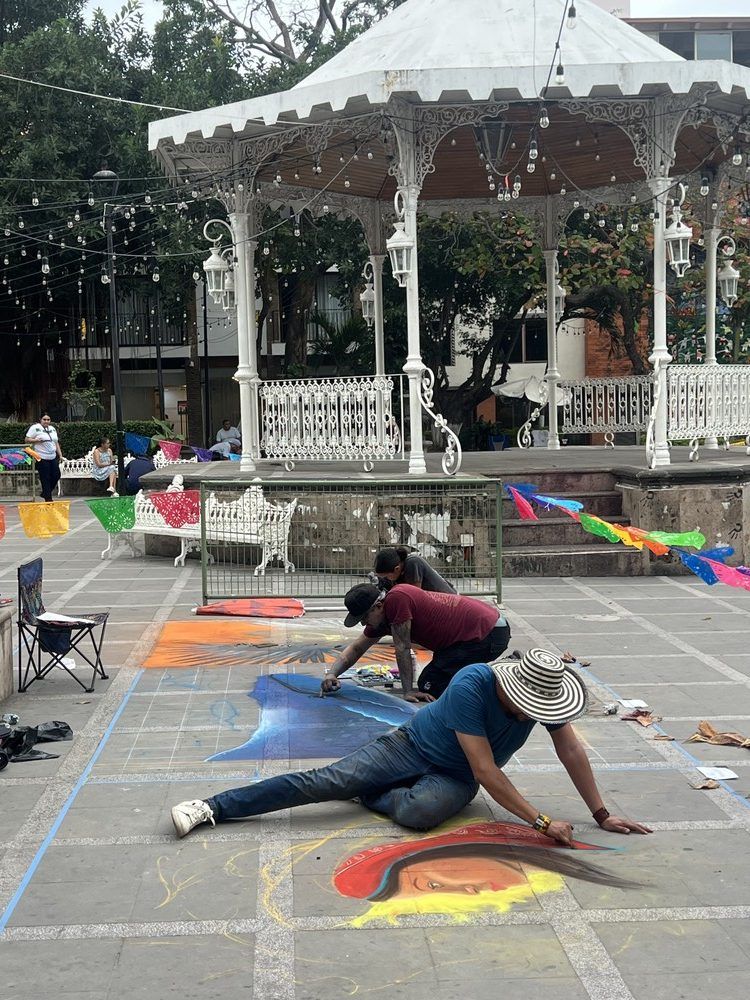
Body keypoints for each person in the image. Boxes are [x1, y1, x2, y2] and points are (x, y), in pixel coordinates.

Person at [170, 648, 652, 843]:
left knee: (420, 814)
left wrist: (602, 813)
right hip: (410, 747)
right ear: (511, 687)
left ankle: (372, 791)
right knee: (325, 782)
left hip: (454, 776)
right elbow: (487, 771)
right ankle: (212, 807)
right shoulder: (472, 684)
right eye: (529, 706)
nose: (536, 716)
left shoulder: (541, 703)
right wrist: (541, 821)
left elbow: (571, 750)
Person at [323, 583, 510, 701]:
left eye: (364, 618)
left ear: (378, 606)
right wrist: (332, 674)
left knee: (431, 686)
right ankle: (502, 668)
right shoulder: (382, 615)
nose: (364, 623)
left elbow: (402, 647)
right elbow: (357, 648)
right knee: (441, 679)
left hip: (488, 633)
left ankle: (505, 674)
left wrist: (408, 691)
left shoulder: (397, 600)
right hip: (471, 637)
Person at [373, 546, 456, 594]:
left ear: (397, 569)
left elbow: (414, 597)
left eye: (387, 576)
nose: (386, 579)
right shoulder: (399, 571)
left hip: (449, 604)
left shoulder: (413, 563)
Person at [25, 412, 63, 502]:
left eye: (48, 420)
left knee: (56, 475)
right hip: (41, 456)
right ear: (40, 420)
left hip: (52, 456)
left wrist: (60, 455)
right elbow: (26, 439)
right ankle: (48, 499)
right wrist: (35, 440)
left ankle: (46, 492)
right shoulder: (35, 428)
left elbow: (56, 443)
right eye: (44, 419)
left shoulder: (52, 429)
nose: (46, 421)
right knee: (45, 477)